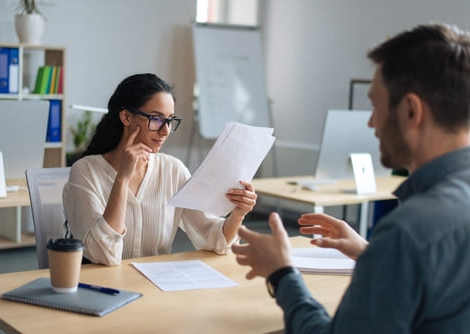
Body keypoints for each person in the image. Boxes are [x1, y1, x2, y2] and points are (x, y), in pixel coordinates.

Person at [232, 23, 470, 333]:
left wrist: (281, 273)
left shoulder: (408, 232)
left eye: (375, 105)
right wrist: (372, 254)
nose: (371, 123)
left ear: (411, 111)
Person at [63, 73, 257, 266]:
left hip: (156, 287)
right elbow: (103, 255)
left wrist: (238, 214)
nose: (165, 131)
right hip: (103, 289)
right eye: (156, 119)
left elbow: (214, 239)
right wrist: (122, 179)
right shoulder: (85, 171)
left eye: (170, 120)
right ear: (126, 116)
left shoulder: (173, 170)